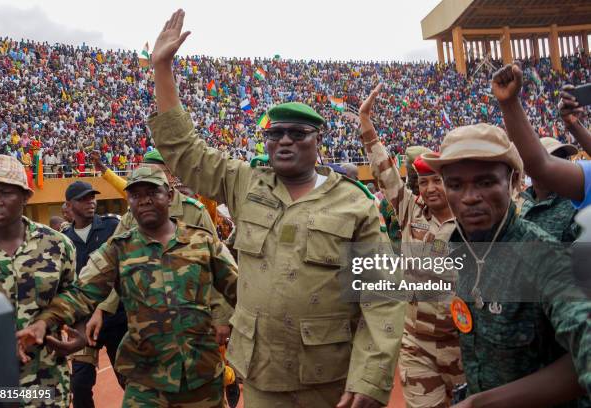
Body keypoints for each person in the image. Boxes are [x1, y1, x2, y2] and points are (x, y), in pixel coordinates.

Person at [148, 9, 405, 408]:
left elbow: (382, 295)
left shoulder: (354, 202)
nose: (284, 141)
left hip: (330, 378)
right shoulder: (244, 182)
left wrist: (370, 379)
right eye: (274, 133)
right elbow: (184, 151)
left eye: (298, 133)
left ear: (317, 140)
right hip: (263, 374)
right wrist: (162, 69)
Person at [17, 166, 238, 408]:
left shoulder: (202, 242)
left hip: (201, 377)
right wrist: (44, 322)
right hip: (146, 380)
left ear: (171, 196)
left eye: (152, 192)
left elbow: (241, 293)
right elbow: (81, 293)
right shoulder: (118, 248)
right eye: (135, 195)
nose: (144, 201)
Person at [422, 124, 591, 406]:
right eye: (455, 185)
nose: (469, 197)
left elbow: (582, 328)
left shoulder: (542, 256)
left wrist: (481, 404)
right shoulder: (462, 248)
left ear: (513, 182)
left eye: (486, 182)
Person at [359, 85, 464, 408]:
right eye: (423, 182)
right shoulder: (410, 211)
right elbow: (385, 171)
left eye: (437, 180)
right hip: (416, 347)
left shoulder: (472, 222)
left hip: (462, 348)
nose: (430, 188)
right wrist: (366, 124)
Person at [91, 149, 234, 345]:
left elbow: (216, 269)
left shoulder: (195, 212)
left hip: (193, 320)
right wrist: (101, 308)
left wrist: (221, 318)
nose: (145, 196)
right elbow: (111, 267)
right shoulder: (131, 217)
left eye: (154, 174)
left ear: (169, 176)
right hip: (147, 324)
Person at [0, 155, 80, 407]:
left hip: (45, 382)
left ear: (26, 196)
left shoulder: (57, 244)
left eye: (4, 192)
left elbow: (73, 293)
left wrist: (73, 331)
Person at [491, 63, 591, 209]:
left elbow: (540, 166)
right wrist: (509, 104)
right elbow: (540, 166)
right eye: (557, 157)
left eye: (564, 158)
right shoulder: (524, 206)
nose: (564, 162)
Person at [62, 181, 126, 407]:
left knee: (129, 381)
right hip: (83, 323)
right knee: (79, 385)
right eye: (83, 199)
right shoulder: (63, 240)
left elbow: (122, 271)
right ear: (69, 205)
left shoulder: (113, 226)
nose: (91, 202)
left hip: (117, 319)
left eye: (92, 197)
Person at [519, 138, 580, 243]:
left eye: (564, 159)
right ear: (529, 169)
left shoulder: (576, 205)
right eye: (551, 160)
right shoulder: (528, 201)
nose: (561, 165)